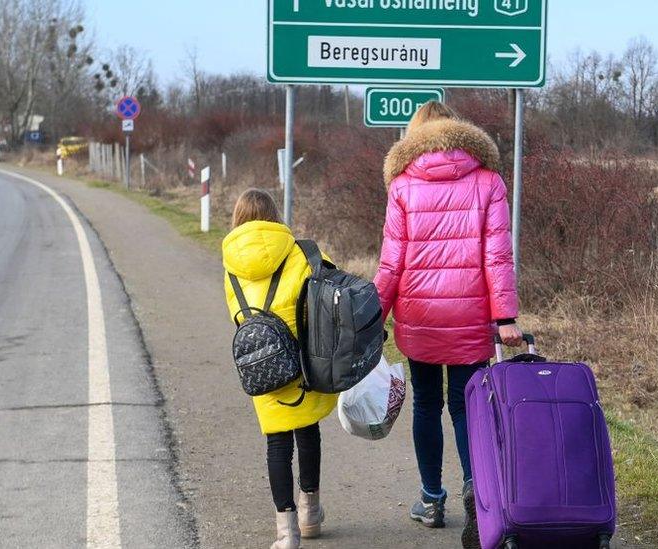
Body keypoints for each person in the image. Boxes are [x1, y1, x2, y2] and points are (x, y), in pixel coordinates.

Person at [374, 101, 523, 547]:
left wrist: (373, 316)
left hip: (419, 315)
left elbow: (392, 261)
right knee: (466, 406)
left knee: (425, 405)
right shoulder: (488, 180)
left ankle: (431, 499)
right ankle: (477, 498)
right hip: (471, 315)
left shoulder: (402, 185)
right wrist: (506, 317)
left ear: (414, 136)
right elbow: (498, 255)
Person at [222, 189, 338, 549]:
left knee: (276, 444)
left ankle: (286, 534)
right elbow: (327, 294)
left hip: (263, 363)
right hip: (304, 360)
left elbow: (236, 315)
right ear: (274, 215)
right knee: (307, 431)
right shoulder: (301, 253)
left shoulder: (231, 266)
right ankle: (310, 514)